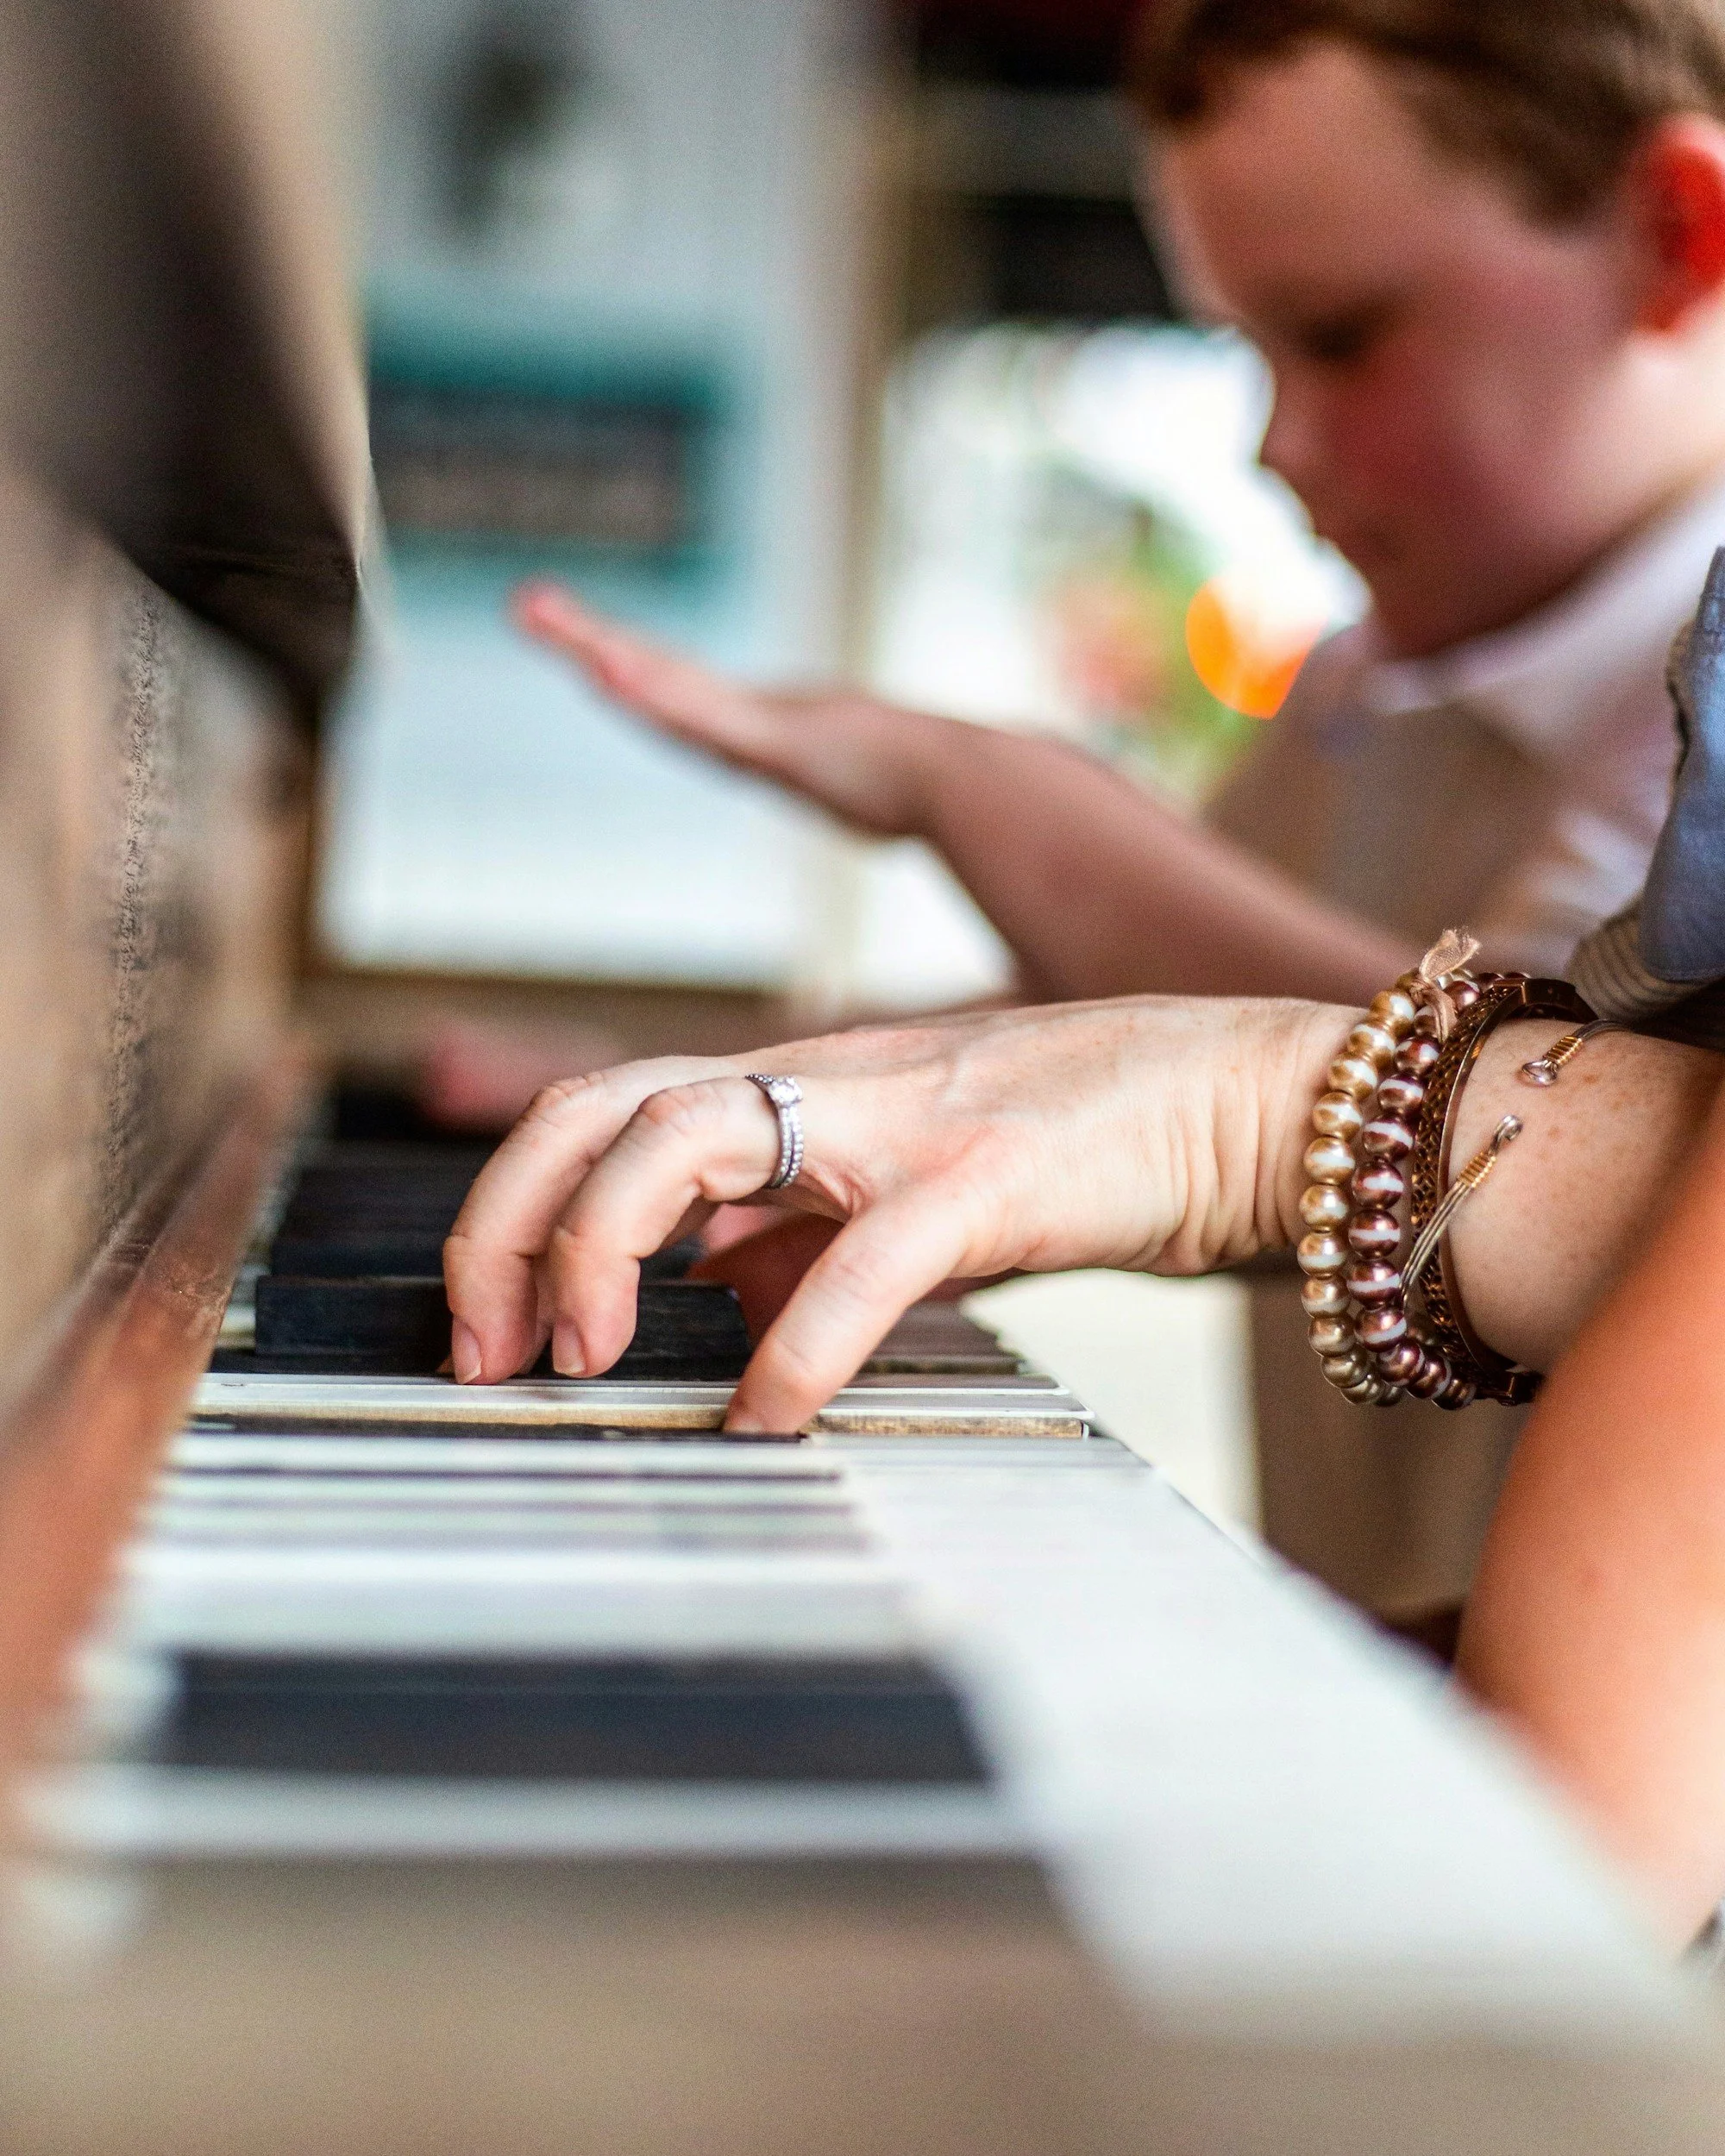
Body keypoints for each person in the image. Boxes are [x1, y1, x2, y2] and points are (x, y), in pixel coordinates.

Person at [499, 0, 1725, 1626]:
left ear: (1673, 236)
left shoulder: (1687, 721)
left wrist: (989, 790)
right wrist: (715, 1097)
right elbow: (1094, 1056)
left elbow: (1484, 1090)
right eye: (1246, 348)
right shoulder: (1357, 695)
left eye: (1345, 335)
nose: (1278, 445)